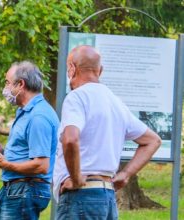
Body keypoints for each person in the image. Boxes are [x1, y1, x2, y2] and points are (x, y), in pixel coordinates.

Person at [53, 45, 161, 219]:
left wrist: (75, 177)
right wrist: (125, 174)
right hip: (107, 197)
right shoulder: (116, 102)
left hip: (81, 196)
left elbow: (70, 139)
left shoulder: (77, 97)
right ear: (100, 71)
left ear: (72, 68)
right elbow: (152, 141)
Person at [0, 61, 59, 220]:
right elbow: (30, 150)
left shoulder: (39, 116)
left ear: (21, 84)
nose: (5, 89)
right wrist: (6, 153)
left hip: (26, 190)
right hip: (14, 188)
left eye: (7, 83)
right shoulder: (25, 112)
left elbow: (41, 165)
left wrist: (5, 164)